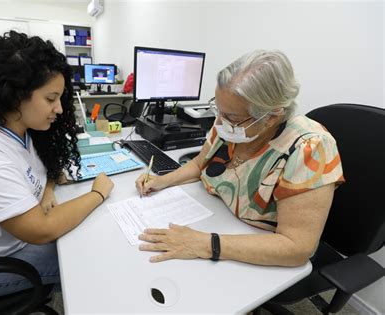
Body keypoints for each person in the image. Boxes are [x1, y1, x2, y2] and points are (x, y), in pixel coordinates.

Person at [0, 31, 114, 298]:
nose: (60, 109)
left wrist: (48, 189)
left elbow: (42, 169)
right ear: (16, 95)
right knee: (90, 263)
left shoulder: (19, 126)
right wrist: (97, 193)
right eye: (51, 99)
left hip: (7, 242)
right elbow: (41, 229)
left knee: (87, 239)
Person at [136, 50, 344, 267]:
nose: (220, 121)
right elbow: (199, 164)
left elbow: (298, 247)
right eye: (219, 110)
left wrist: (206, 243)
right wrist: (161, 181)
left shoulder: (310, 148)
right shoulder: (228, 126)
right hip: (214, 218)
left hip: (249, 249)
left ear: (271, 117)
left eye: (231, 116)